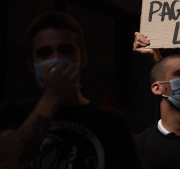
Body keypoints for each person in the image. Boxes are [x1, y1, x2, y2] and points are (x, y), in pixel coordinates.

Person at [0, 11, 139, 169]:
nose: (56, 60)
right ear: (32, 66)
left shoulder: (112, 123)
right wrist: (53, 96)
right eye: (45, 54)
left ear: (83, 59)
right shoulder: (13, 113)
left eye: (65, 51)